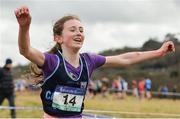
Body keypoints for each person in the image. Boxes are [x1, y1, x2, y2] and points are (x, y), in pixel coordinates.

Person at [14, 6, 175, 118]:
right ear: (58, 38)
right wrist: (24, 27)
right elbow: (25, 50)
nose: (78, 33)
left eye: (81, 30)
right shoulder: (51, 62)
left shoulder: (89, 61)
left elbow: (125, 59)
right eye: (72, 29)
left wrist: (158, 52)